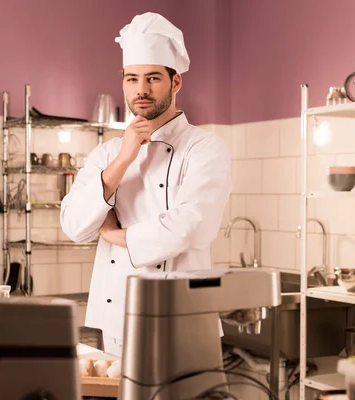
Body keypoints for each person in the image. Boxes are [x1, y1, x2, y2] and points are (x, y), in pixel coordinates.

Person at [60, 12, 232, 357]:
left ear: (176, 82)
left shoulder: (204, 148)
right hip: (117, 321)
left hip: (184, 320)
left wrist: (112, 235)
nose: (141, 90)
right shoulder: (108, 152)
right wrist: (124, 158)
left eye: (153, 78)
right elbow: (74, 225)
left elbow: (191, 228)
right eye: (131, 79)